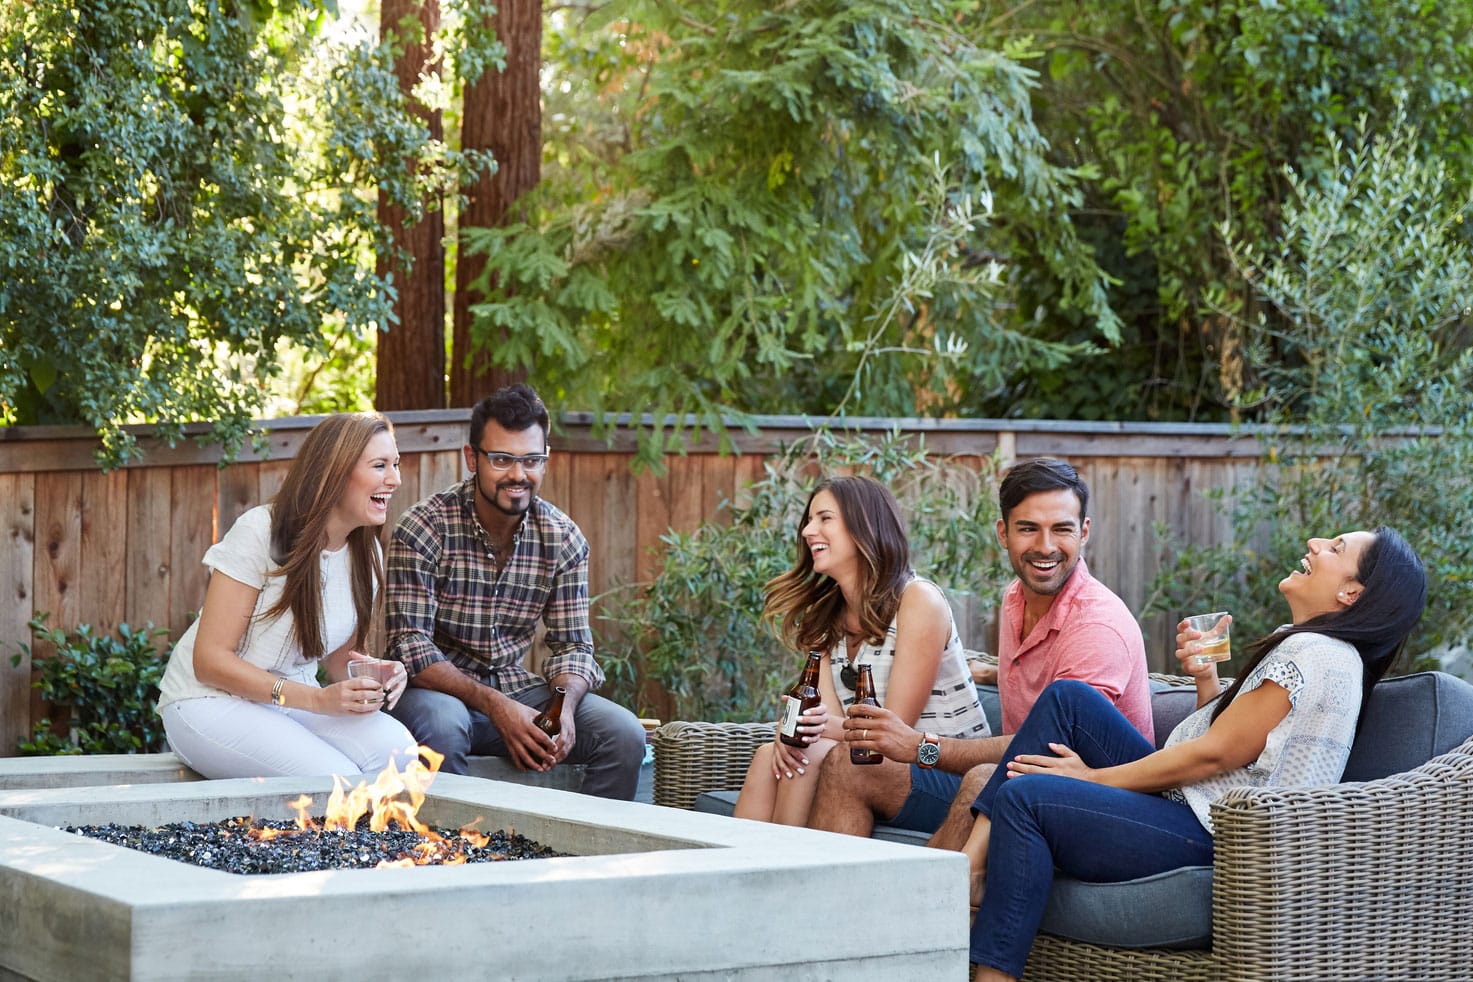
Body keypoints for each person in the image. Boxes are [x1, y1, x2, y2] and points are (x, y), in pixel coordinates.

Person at [965, 526, 1427, 982]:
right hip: (1197, 811)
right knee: (1069, 700)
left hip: (1220, 839)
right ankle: (974, 862)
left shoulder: (1315, 651)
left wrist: (1089, 780)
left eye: (1335, 548)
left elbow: (1214, 756)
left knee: (1025, 798)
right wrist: (1208, 680)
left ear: (1351, 592)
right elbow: (1238, 751)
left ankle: (987, 958)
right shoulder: (1325, 651)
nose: (1315, 544)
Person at [809, 457, 1152, 848]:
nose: (1045, 547)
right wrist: (987, 673)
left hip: (1098, 799)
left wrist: (921, 745)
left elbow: (1049, 745)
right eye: (1028, 529)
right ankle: (821, 903)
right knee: (847, 764)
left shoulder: (1096, 626)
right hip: (1019, 776)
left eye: (1061, 529)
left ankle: (928, 903)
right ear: (1003, 534)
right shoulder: (1016, 598)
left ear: (1084, 531)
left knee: (980, 780)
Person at [385, 384, 645, 799]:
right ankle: (448, 857)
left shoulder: (563, 538)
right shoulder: (424, 528)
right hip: (436, 694)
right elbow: (409, 645)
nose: (518, 475)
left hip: (518, 687)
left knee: (624, 733)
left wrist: (561, 708)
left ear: (546, 459)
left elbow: (574, 646)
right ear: (473, 458)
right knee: (443, 725)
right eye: (502, 459)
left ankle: (583, 856)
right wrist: (495, 705)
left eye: (531, 460)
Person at [157, 412, 419, 778]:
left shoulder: (366, 552)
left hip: (290, 701)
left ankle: (365, 835)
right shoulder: (260, 532)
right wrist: (314, 699)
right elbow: (210, 661)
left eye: (396, 465)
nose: (395, 480)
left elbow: (340, 661)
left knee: (400, 755)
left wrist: (378, 673)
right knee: (338, 781)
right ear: (335, 472)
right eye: (380, 466)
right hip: (207, 701)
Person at [732, 476, 990, 826]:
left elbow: (892, 730)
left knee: (805, 749)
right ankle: (744, 874)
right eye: (809, 520)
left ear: (864, 527)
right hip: (870, 762)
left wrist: (802, 727)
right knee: (770, 755)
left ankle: (782, 871)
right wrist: (794, 728)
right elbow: (830, 721)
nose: (809, 531)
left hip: (946, 774)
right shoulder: (826, 615)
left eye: (824, 518)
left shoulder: (917, 601)